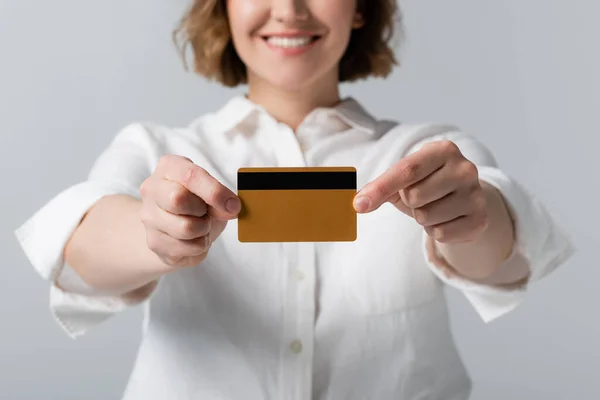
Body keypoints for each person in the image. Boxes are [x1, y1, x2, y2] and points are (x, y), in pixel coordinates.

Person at [14, 0, 575, 399]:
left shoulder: (425, 155)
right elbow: (81, 252)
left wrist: (469, 218)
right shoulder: (159, 149)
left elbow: (499, 253)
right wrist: (152, 231)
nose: (289, 9)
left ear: (360, 8)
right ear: (224, 6)